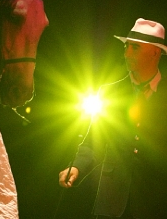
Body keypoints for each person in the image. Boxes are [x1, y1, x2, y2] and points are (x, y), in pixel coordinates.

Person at [58, 18, 167, 218]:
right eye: (126, 47)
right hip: (111, 204)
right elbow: (94, 141)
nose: (126, 54)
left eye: (134, 48)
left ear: (155, 52)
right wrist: (77, 166)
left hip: (156, 204)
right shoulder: (109, 92)